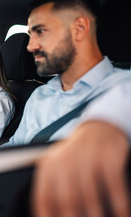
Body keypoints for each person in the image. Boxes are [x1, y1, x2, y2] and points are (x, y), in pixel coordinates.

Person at [0, 0, 131, 147]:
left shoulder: (124, 89)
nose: (30, 46)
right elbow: (15, 147)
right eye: (30, 35)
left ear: (80, 29)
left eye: (40, 31)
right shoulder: (40, 95)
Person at [32, 80, 131, 217]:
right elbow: (14, 142)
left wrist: (104, 122)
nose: (33, 56)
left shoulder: (119, 84)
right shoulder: (39, 94)